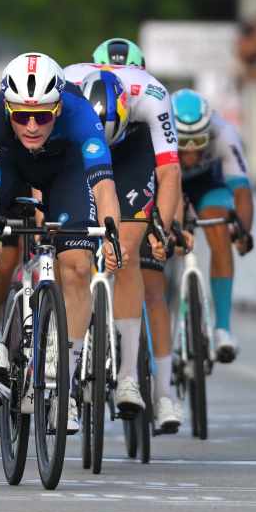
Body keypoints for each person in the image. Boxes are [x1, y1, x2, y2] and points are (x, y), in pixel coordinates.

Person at [0, 52, 123, 434]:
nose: (31, 126)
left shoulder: (80, 113)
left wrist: (111, 232)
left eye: (43, 116)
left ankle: (66, 383)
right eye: (21, 116)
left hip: (65, 172)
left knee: (78, 266)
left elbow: (103, 185)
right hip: (9, 167)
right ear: (8, 108)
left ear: (58, 108)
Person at [63, 59, 182, 429]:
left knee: (126, 252)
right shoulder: (65, 89)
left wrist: (161, 229)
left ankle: (128, 374)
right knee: (67, 248)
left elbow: (169, 172)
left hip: (133, 151)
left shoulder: (152, 97)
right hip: (78, 149)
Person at [171, 89, 254, 362]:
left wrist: (242, 232)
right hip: (169, 180)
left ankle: (223, 329)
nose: (190, 150)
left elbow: (242, 191)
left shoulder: (224, 133)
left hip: (208, 185)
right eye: (183, 142)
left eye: (198, 141)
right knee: (160, 241)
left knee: (220, 231)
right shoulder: (157, 131)